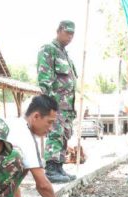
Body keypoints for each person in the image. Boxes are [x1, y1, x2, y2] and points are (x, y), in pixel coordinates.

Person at [2, 95, 67, 197]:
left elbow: (14, 169)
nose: (51, 128)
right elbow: (42, 183)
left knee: (24, 162)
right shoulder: (25, 136)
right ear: (36, 116)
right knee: (17, 158)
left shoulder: (16, 124)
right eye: (49, 122)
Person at [38, 20, 78, 184]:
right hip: (56, 103)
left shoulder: (66, 55)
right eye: (67, 32)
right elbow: (44, 79)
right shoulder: (49, 49)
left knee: (64, 135)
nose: (70, 37)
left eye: (72, 34)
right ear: (59, 30)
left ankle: (59, 166)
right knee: (55, 133)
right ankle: (51, 169)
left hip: (67, 105)